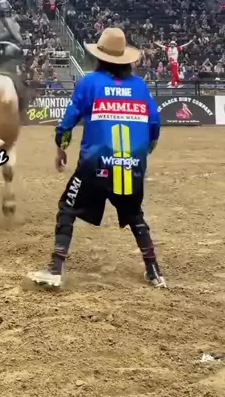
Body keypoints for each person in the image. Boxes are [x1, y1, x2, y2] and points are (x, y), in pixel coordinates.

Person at [28, 27, 165, 290]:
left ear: (99, 57)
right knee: (135, 215)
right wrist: (141, 155)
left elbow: (67, 123)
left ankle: (55, 268)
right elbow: (155, 127)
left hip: (95, 165)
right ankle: (155, 271)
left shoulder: (90, 83)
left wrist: (61, 147)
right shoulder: (140, 86)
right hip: (132, 166)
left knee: (67, 208)